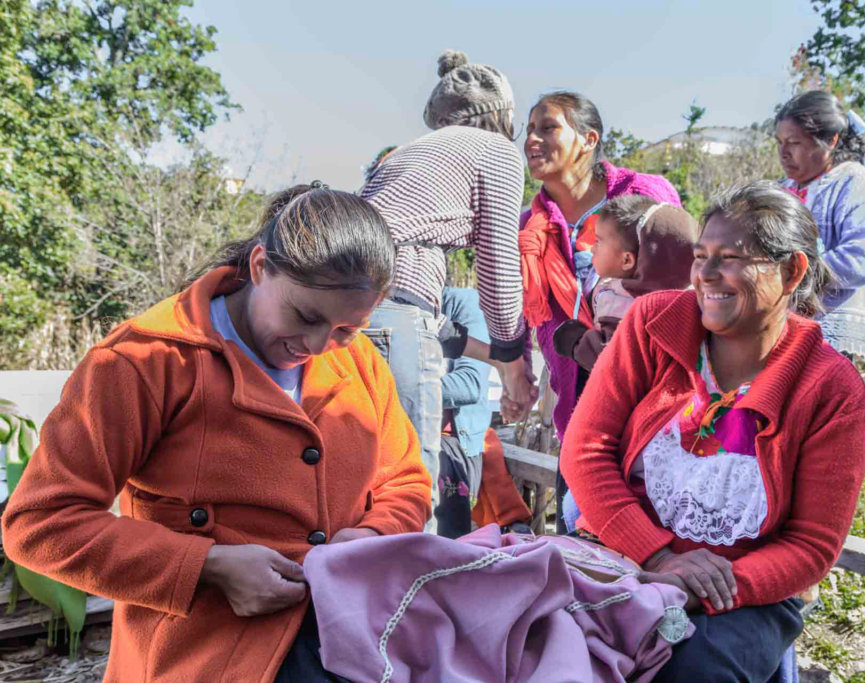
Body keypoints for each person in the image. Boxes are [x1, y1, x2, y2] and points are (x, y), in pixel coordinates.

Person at [1, 183, 432, 682]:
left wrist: (370, 536)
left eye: (345, 329)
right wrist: (207, 566)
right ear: (258, 266)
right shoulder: (143, 361)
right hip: (203, 654)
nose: (317, 345)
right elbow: (40, 523)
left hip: (352, 637)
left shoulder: (361, 364)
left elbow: (405, 483)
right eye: (305, 316)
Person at [560, 182, 865, 681]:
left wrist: (699, 589)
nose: (704, 275)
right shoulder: (653, 323)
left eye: (730, 258)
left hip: (744, 595)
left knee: (691, 670)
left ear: (792, 271)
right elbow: (585, 452)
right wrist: (658, 557)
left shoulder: (830, 387)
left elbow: (812, 544)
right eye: (700, 255)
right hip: (621, 559)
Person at [359, 50, 535, 528]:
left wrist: (496, 358)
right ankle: (413, 598)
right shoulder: (493, 150)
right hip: (393, 314)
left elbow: (424, 319)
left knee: (358, 482)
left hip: (344, 312)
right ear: (504, 118)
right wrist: (515, 359)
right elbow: (498, 267)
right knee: (409, 485)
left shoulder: (406, 157)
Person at [519, 91, 681, 531]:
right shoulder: (532, 224)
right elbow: (541, 318)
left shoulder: (642, 195)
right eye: (529, 129)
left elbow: (677, 285)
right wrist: (570, 342)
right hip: (580, 395)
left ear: (588, 139)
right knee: (579, 533)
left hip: (649, 391)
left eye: (548, 127)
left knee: (645, 532)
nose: (532, 139)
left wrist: (623, 343)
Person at [775, 89, 865, 360]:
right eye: (780, 142)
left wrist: (787, 274)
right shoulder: (781, 190)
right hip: (780, 331)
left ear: (831, 140)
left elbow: (860, 261)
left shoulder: (861, 186)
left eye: (794, 143)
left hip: (829, 338)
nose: (784, 153)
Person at [553, 195, 699, 374]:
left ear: (627, 260)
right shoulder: (683, 297)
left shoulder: (622, 303)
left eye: (598, 241)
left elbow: (610, 359)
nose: (592, 248)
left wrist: (574, 340)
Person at [435, 287, 493, 539]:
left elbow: (470, 384)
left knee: (444, 548)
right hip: (394, 438)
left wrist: (398, 391)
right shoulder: (375, 302)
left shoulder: (460, 304)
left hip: (449, 442)